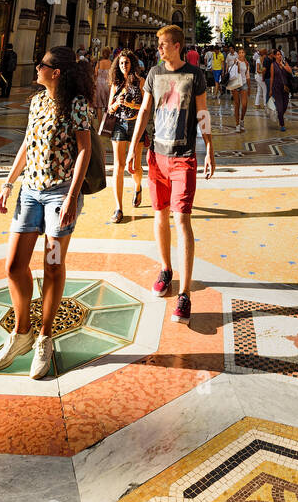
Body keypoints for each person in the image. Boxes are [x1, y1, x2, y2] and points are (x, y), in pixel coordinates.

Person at [0, 47, 92, 379]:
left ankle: (45, 337)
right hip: (30, 194)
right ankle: (22, 334)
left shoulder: (75, 105)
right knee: (14, 266)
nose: (36, 68)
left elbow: (83, 150)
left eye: (42, 65)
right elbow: (26, 143)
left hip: (60, 196)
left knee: (51, 266)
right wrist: (8, 182)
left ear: (56, 72)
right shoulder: (36, 102)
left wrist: (72, 197)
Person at [127, 24, 213, 324]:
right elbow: (145, 111)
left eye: (162, 43)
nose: (158, 48)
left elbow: (202, 113)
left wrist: (210, 149)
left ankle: (185, 293)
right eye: (157, 43)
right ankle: (166, 269)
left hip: (184, 157)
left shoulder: (195, 74)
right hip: (156, 156)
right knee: (160, 215)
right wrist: (133, 149)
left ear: (176, 45)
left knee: (182, 219)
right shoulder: (153, 74)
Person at [106, 50, 145, 221]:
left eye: (127, 63)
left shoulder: (140, 82)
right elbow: (109, 109)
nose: (124, 66)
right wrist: (116, 103)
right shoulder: (116, 84)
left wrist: (130, 104)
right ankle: (118, 208)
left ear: (132, 64)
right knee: (119, 166)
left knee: (135, 167)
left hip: (136, 125)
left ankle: (137, 186)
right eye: (121, 63)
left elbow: (145, 108)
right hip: (119, 126)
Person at [269, 47, 292, 131]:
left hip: (285, 88)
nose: (279, 56)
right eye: (278, 55)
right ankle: (282, 124)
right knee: (280, 107)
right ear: (275, 56)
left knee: (285, 106)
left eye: (280, 54)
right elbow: (271, 78)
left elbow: (290, 71)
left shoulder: (285, 63)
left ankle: (280, 116)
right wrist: (271, 89)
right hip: (276, 87)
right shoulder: (273, 65)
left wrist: (283, 65)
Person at [228, 46, 249, 132]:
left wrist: (249, 87)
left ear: (245, 54)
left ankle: (242, 120)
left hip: (243, 84)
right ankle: (237, 124)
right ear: (238, 54)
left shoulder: (247, 63)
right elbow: (235, 73)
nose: (241, 54)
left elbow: (247, 75)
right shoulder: (236, 62)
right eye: (239, 53)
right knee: (237, 105)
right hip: (236, 84)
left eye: (242, 52)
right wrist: (238, 65)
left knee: (244, 105)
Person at [93, 48, 112, 123]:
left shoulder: (99, 63)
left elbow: (95, 74)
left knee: (99, 106)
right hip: (108, 85)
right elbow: (112, 75)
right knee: (108, 105)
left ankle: (100, 124)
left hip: (99, 85)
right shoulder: (111, 63)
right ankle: (106, 124)